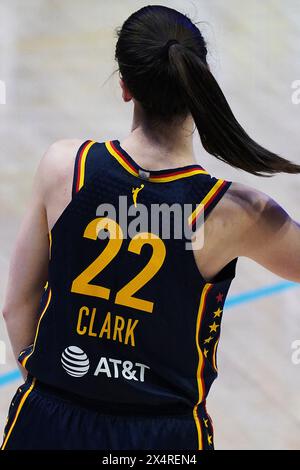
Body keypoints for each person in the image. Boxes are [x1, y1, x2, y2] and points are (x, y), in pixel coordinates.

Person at [1, 5, 300, 451]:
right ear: (198, 82)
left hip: (47, 420)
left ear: (124, 86)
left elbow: (16, 305)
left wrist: (50, 387)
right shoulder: (233, 211)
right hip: (163, 436)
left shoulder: (66, 167)